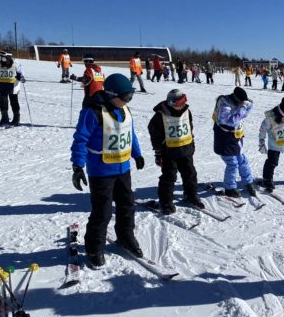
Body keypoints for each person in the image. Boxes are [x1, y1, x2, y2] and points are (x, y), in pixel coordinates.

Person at [70, 73, 145, 267]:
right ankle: (94, 248)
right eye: (125, 97)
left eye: (131, 96)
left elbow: (129, 132)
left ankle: (125, 237)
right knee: (102, 212)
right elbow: (80, 139)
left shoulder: (124, 109)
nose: (128, 100)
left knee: (127, 206)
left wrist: (137, 154)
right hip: (101, 171)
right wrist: (77, 166)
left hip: (123, 169)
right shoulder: (93, 112)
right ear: (111, 94)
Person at [148, 89, 203, 213]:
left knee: (190, 173)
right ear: (171, 102)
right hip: (169, 152)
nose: (183, 104)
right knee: (169, 177)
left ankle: (191, 195)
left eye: (184, 101)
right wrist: (158, 153)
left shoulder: (186, 111)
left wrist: (192, 144)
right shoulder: (160, 115)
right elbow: (155, 135)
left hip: (185, 149)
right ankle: (166, 201)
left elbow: (189, 128)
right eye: (180, 102)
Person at [212, 87, 256, 197]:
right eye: (241, 102)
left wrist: (245, 106)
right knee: (232, 163)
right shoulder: (224, 105)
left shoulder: (240, 102)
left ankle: (248, 181)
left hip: (236, 137)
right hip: (224, 138)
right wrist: (243, 108)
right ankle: (230, 188)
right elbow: (231, 121)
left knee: (242, 160)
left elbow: (248, 107)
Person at [0, 51, 26, 125]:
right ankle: (4, 118)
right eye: (1, 57)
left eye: (3, 57)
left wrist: (21, 78)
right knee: (3, 102)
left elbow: (19, 74)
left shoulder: (15, 64)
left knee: (14, 102)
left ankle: (16, 118)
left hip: (13, 86)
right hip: (3, 86)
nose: (2, 58)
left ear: (8, 57)